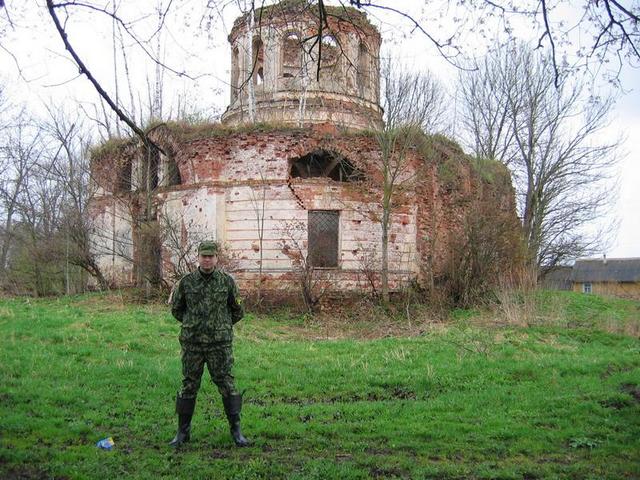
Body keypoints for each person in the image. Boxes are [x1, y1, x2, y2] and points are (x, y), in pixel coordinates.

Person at [169, 240, 249, 447]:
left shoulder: (227, 282)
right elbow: (177, 309)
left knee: (227, 384)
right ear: (198, 257)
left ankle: (237, 432)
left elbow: (238, 309)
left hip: (219, 345)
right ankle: (182, 433)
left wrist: (220, 326)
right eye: (203, 256)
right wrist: (194, 325)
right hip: (192, 343)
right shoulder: (186, 282)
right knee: (189, 385)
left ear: (216, 258)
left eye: (210, 256)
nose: (207, 259)